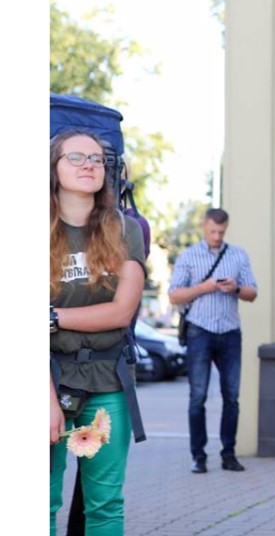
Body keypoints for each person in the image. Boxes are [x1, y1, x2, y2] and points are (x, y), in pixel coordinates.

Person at [50, 130, 146, 535]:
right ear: (52, 168)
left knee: (105, 505)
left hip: (107, 383)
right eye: (75, 157)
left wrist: (50, 319)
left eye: (97, 158)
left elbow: (121, 311)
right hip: (47, 380)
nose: (89, 164)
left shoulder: (126, 230)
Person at [168, 208, 258, 473]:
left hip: (230, 332)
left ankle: (228, 454)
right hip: (200, 331)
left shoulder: (238, 255)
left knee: (232, 396)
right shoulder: (189, 255)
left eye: (221, 232)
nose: (217, 236)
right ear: (204, 227)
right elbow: (174, 295)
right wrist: (204, 287)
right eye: (212, 231)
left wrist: (236, 288)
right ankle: (199, 456)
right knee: (198, 396)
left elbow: (253, 292)